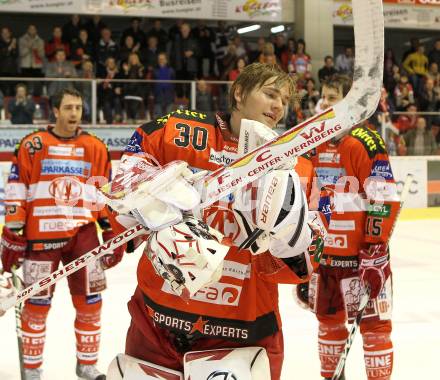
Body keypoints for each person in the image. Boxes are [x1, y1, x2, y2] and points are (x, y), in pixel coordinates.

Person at [105, 63, 326, 380]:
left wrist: (289, 238)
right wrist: (149, 205)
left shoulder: (295, 165)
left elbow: (305, 264)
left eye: (285, 100)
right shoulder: (180, 131)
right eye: (270, 94)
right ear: (239, 93)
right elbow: (128, 175)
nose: (279, 106)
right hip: (157, 323)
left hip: (241, 332)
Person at [0, 88, 124, 380]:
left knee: (90, 302)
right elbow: (17, 192)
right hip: (41, 238)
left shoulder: (95, 146)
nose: (74, 114)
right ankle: (32, 370)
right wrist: (13, 234)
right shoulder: (32, 145)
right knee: (36, 305)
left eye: (78, 108)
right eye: (68, 108)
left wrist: (110, 232)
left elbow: (103, 194)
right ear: (55, 111)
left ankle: (87, 366)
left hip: (83, 236)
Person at [307, 75, 399, 380]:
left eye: (332, 97)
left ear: (349, 102)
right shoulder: (315, 143)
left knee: (375, 331)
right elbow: (309, 201)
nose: (324, 103)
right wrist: (304, 258)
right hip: (327, 260)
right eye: (323, 96)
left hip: (362, 261)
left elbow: (383, 197)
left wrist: (375, 252)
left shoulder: (365, 141)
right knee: (329, 326)